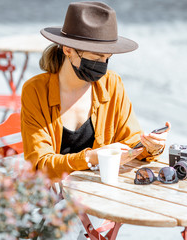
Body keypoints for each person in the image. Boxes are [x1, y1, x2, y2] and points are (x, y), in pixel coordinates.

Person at [20, 1, 171, 182]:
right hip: (54, 196)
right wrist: (91, 158)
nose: (102, 65)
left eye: (107, 58)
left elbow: (130, 141)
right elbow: (39, 166)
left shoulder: (111, 84)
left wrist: (151, 146)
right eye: (96, 57)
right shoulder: (36, 91)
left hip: (99, 191)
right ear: (68, 49)